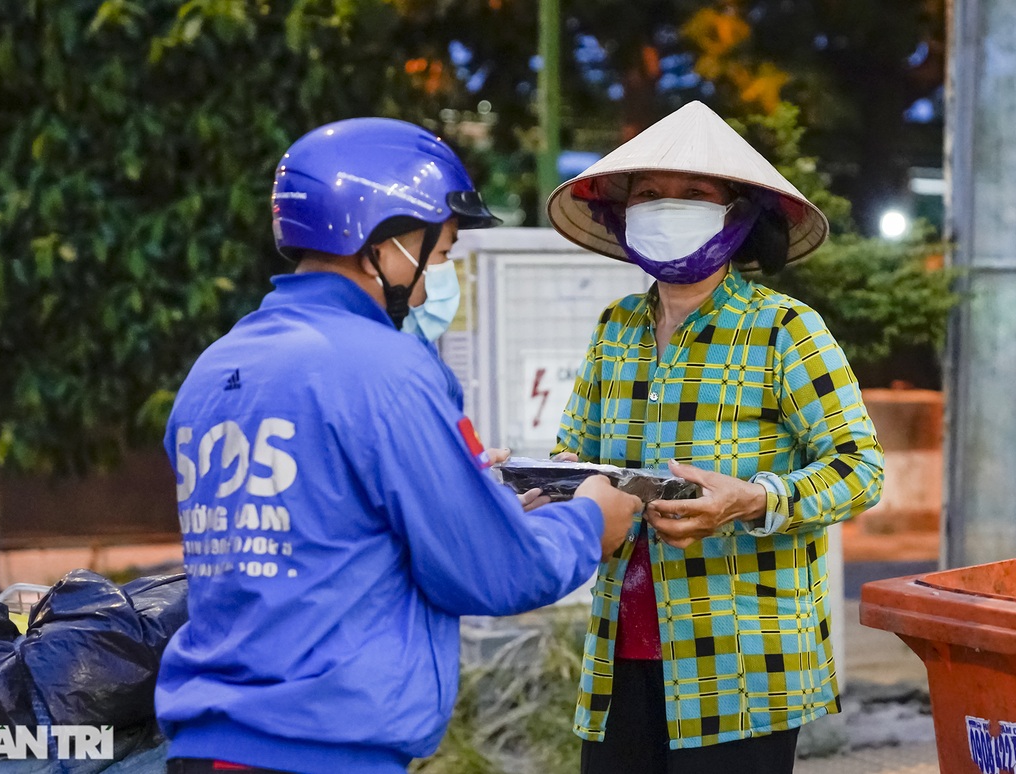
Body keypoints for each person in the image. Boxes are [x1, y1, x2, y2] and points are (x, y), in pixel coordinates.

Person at [155, 117, 642, 774]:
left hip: (207, 747)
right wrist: (589, 521)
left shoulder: (215, 367)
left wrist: (472, 500)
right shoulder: (387, 369)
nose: (436, 278)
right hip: (323, 751)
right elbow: (492, 572)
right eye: (439, 255)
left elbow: (325, 535)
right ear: (385, 245)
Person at [545, 101, 885, 774]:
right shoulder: (616, 326)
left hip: (744, 667)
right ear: (623, 212)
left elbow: (860, 468)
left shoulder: (784, 329)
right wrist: (554, 488)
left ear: (735, 217)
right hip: (621, 650)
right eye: (648, 194)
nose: (667, 206)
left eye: (694, 194)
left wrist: (753, 499)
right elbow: (572, 452)